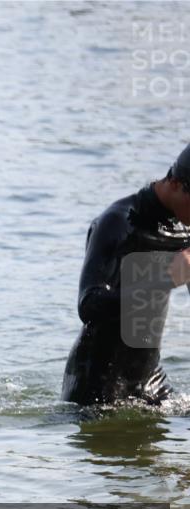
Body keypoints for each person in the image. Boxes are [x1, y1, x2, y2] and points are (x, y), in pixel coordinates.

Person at [62, 143, 190, 406]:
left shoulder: (185, 228)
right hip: (97, 382)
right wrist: (166, 280)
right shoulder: (117, 223)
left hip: (150, 379)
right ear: (176, 183)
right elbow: (89, 305)